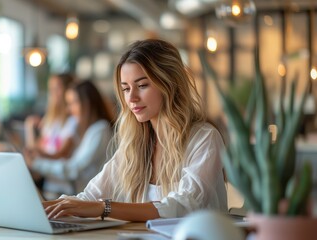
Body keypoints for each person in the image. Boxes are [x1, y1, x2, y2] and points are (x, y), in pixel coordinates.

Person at [42, 39, 227, 222]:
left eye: (142, 86)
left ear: (169, 84)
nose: (131, 98)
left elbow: (185, 205)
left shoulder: (204, 138)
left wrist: (104, 208)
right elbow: (90, 196)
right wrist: (44, 208)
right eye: (125, 88)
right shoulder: (135, 144)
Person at [24, 80, 114, 196]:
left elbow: (74, 169)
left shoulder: (100, 130)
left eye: (73, 103)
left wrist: (37, 164)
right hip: (79, 195)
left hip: (90, 201)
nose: (69, 109)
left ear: (87, 103)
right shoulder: (89, 130)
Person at [24, 73, 78, 159]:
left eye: (57, 88)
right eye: (51, 89)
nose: (53, 93)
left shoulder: (73, 121)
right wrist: (29, 128)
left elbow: (61, 155)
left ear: (68, 90)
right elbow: (36, 148)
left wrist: (34, 153)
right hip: (43, 168)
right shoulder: (49, 119)